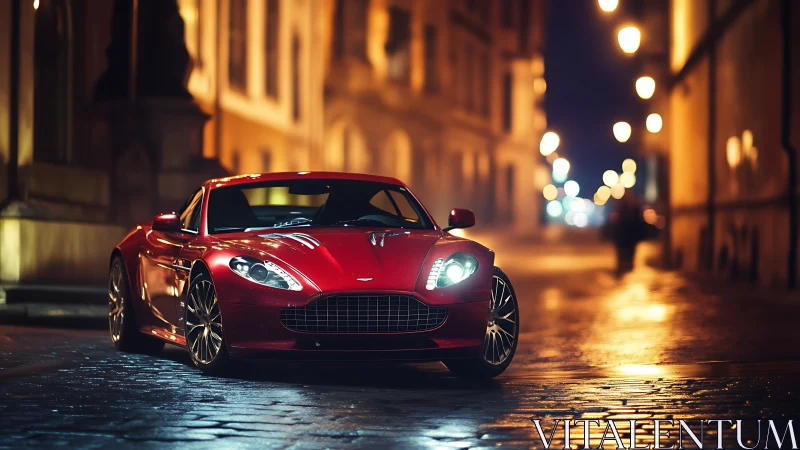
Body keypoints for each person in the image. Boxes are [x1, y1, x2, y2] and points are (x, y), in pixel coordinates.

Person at [606, 193, 648, 277]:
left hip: (626, 237)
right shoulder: (632, 209)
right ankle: (625, 270)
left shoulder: (628, 209)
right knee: (625, 254)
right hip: (626, 237)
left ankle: (624, 270)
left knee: (626, 254)